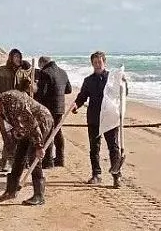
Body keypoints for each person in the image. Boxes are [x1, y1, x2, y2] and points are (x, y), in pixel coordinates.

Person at [0, 90, 53, 206]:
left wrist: (39, 146)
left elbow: (32, 124)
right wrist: (16, 134)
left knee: (33, 156)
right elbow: (14, 123)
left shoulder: (15, 101)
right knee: (19, 156)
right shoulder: (0, 107)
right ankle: (11, 191)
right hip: (26, 127)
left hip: (41, 122)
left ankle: (39, 195)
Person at [68, 50, 122, 187]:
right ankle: (96, 174)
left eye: (100, 62)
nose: (97, 64)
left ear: (104, 62)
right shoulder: (88, 80)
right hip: (94, 117)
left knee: (113, 147)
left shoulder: (112, 79)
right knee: (94, 148)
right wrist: (76, 105)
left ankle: (116, 176)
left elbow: (122, 94)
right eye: (95, 62)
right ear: (92, 64)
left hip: (110, 117)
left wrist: (123, 84)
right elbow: (82, 97)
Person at [0, 48, 35, 169]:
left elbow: (27, 89)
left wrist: (31, 87)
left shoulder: (23, 73)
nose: (18, 59)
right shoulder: (0, 71)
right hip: (3, 110)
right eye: (15, 56)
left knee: (18, 135)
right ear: (10, 57)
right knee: (7, 136)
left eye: (19, 57)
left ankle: (7, 161)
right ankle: (8, 162)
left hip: (19, 109)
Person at [33, 55, 72, 168]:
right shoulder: (63, 72)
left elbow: (42, 93)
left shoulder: (45, 73)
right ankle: (60, 159)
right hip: (60, 108)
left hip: (49, 107)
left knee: (48, 132)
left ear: (42, 64)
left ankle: (48, 161)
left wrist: (35, 91)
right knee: (57, 132)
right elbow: (69, 90)